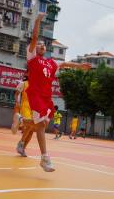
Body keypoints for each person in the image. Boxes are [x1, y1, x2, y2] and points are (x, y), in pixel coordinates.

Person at [23, 13, 90, 171]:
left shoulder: (51, 62)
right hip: (36, 94)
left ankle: (21, 121)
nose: (41, 46)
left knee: (44, 123)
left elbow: (66, 63)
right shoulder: (32, 57)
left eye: (43, 45)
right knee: (40, 126)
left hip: (47, 97)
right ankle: (45, 158)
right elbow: (33, 37)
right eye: (39, 44)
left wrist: (80, 67)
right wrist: (38, 20)